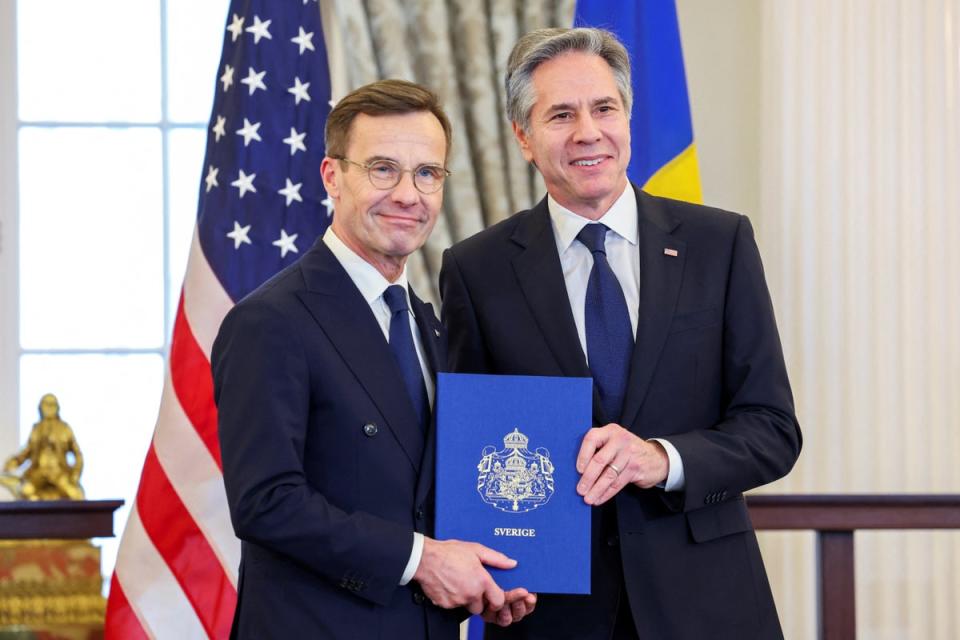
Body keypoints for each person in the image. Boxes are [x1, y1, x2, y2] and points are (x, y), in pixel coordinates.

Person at [440, 28, 802, 640]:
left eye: (604, 108)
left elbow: (772, 429)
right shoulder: (477, 270)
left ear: (628, 117)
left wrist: (662, 458)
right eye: (560, 114)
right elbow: (469, 446)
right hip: (549, 610)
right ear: (524, 137)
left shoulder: (720, 243)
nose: (588, 132)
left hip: (707, 602)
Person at [212, 79, 534, 639]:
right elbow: (266, 502)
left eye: (427, 173)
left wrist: (486, 575)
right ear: (332, 177)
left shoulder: (430, 324)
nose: (409, 195)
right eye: (383, 169)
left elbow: (421, 494)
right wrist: (420, 560)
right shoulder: (270, 321)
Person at [3, 393, 85, 500]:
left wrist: (75, 474)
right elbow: (26, 452)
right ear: (41, 408)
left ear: (57, 408)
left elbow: (78, 454)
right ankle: (39, 513)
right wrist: (13, 463)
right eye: (46, 405)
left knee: (76, 496)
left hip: (59, 473)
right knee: (26, 492)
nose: (49, 408)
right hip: (39, 474)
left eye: (52, 405)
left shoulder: (65, 429)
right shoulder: (36, 429)